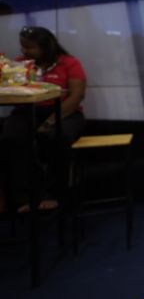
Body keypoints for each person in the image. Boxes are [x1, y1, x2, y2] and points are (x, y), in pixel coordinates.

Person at [1, 26, 87, 211]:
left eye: (29, 47)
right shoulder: (18, 65)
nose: (24, 51)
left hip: (63, 111)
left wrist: (50, 122)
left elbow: (76, 96)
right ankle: (25, 197)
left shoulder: (69, 63)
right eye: (22, 46)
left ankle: (55, 194)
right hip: (27, 111)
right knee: (12, 137)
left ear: (45, 47)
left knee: (59, 137)